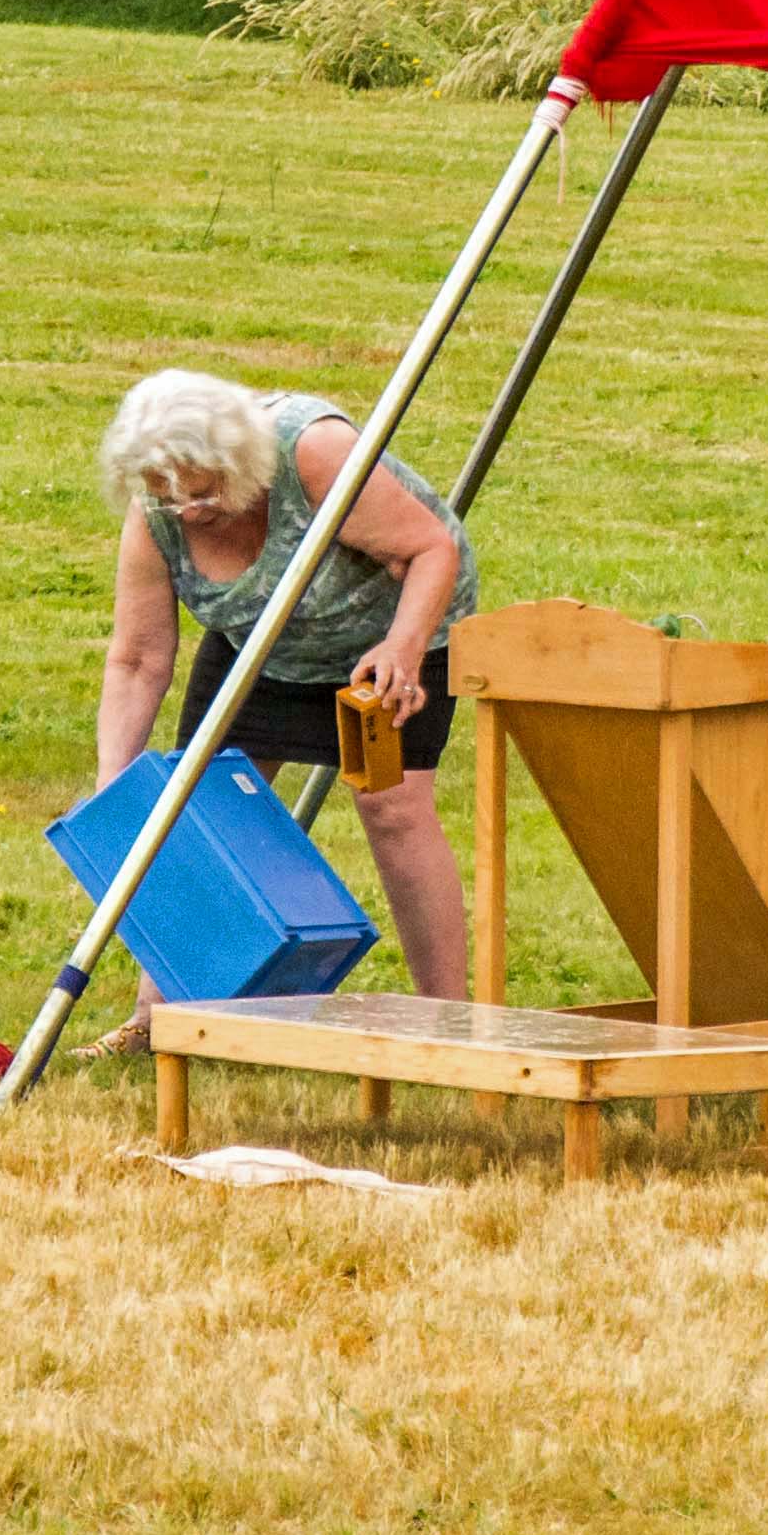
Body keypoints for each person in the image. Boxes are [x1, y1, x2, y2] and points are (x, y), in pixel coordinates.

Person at [79, 368, 478, 1056]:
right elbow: (138, 658)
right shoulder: (158, 513)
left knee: (392, 810)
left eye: (202, 493)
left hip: (388, 640)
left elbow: (430, 548)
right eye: (166, 496)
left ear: (239, 463)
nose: (186, 510)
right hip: (260, 647)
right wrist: (116, 784)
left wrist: (404, 648)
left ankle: (450, 1025)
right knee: (193, 813)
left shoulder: (313, 452)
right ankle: (154, 1021)